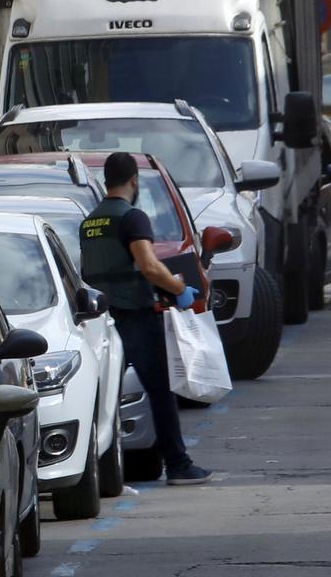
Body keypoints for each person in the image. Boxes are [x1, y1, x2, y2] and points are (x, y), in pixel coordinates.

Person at [79, 152, 212, 486]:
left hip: (100, 319)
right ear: (134, 180)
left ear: (106, 180)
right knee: (161, 390)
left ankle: (106, 472)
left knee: (108, 394)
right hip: (134, 316)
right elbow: (149, 266)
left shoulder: (90, 221)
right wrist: (179, 289)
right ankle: (178, 464)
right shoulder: (133, 217)